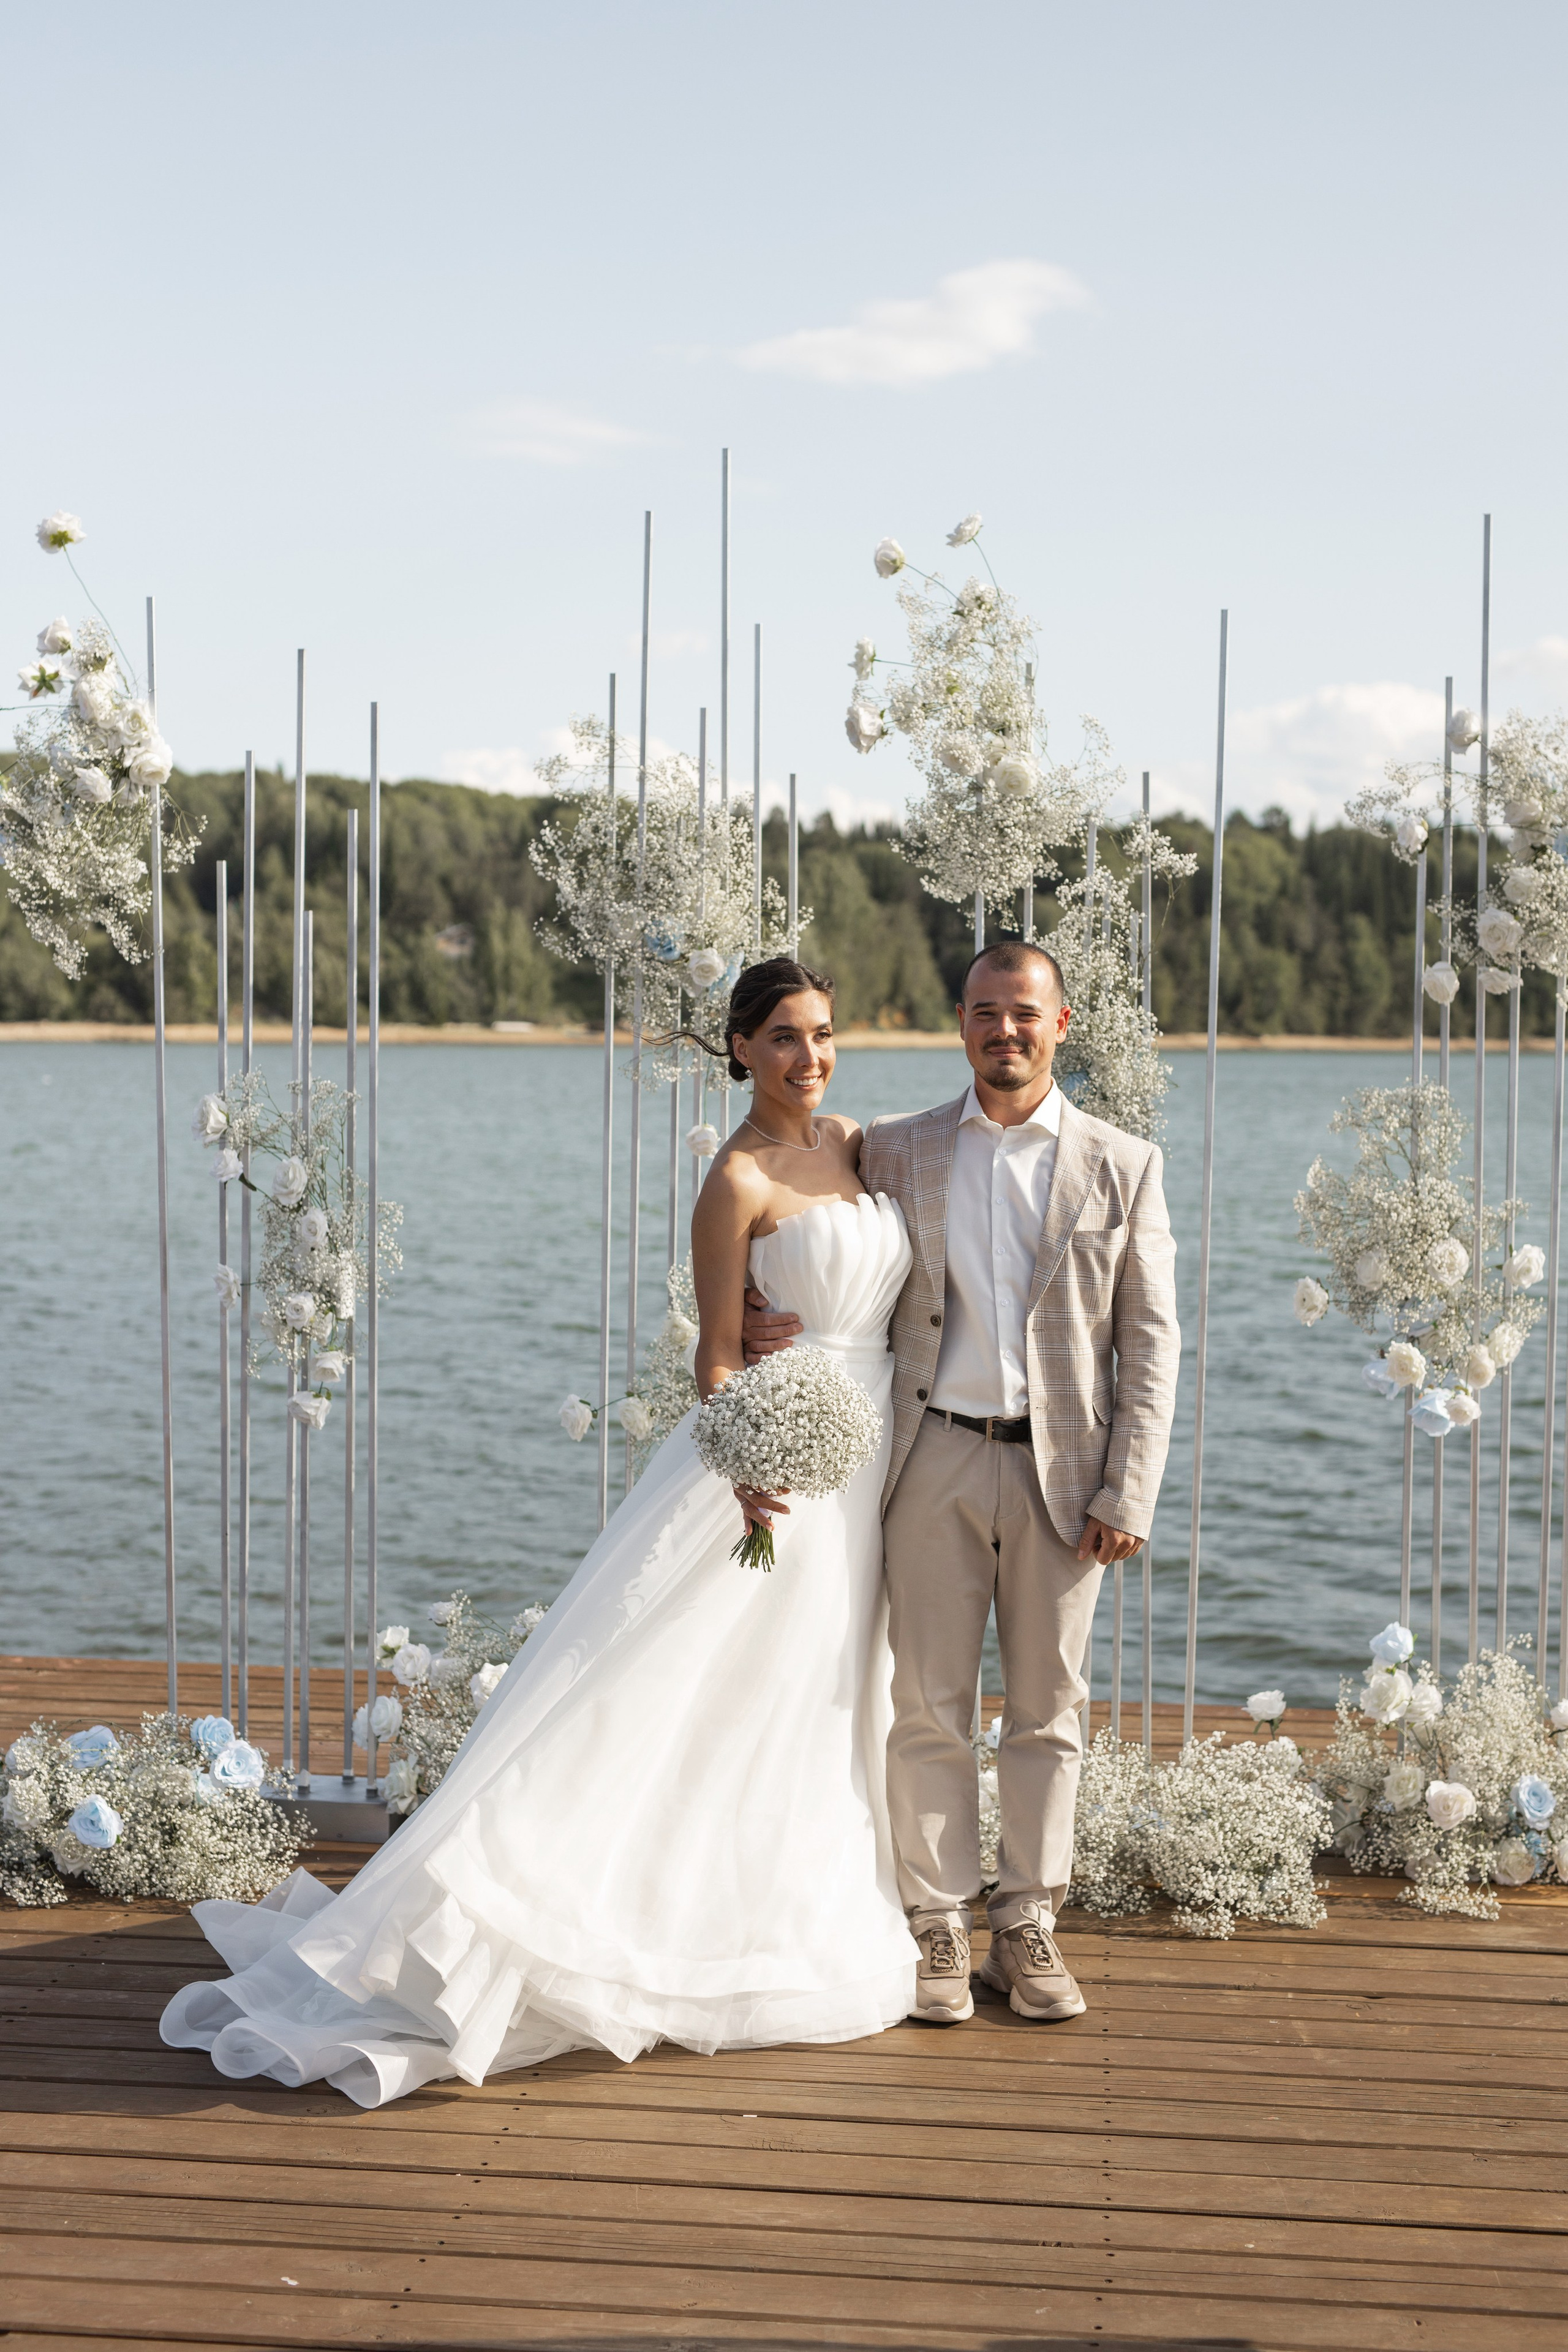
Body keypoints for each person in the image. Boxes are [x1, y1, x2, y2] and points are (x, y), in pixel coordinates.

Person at [160, 959, 919, 2106]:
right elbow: (717, 1355)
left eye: (821, 1033)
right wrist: (750, 1462)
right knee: (678, 1680)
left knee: (817, 1684)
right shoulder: (734, 1180)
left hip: (867, 1450)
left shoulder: (859, 1144)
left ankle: (777, 1889)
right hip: (776, 1461)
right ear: (739, 1049)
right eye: (782, 1037)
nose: (807, 1057)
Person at [743, 940, 1180, 2027]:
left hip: (1065, 1475)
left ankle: (1025, 1923)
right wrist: (758, 1313)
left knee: (1049, 1709)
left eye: (1025, 1013)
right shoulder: (895, 1147)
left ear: (1060, 1024)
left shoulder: (1124, 1164)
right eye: (986, 1012)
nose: (1005, 1031)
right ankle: (935, 1921)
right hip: (929, 1454)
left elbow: (1151, 1340)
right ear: (962, 1022)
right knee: (925, 1704)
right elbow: (799, 1213)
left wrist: (1128, 1489)